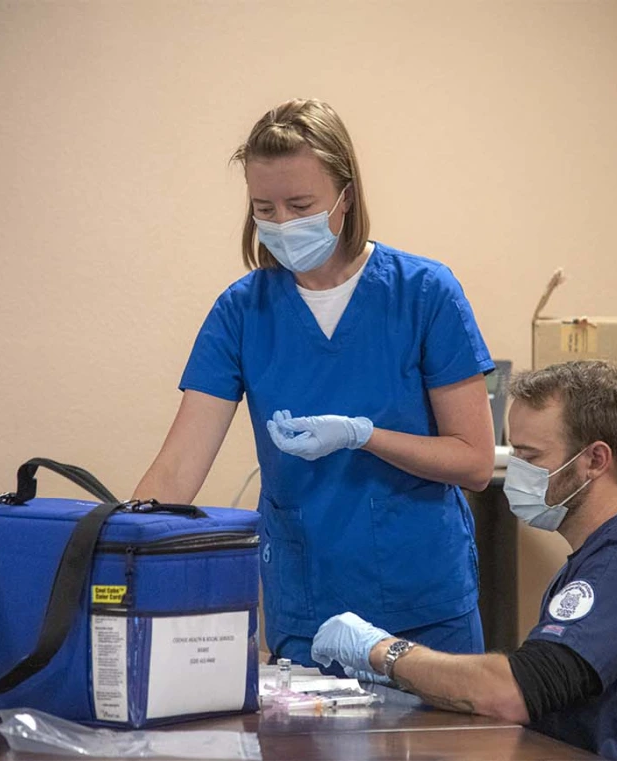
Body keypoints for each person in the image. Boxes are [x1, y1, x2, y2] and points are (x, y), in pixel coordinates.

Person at [132, 98, 496, 668]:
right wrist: (114, 559)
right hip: (308, 608)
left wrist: (363, 435)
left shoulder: (424, 294)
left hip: (423, 608)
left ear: (345, 197)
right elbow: (177, 470)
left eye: (300, 205)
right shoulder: (242, 312)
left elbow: (474, 462)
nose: (281, 223)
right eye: (264, 208)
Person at [311, 360, 617, 761]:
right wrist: (407, 678)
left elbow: (511, 692)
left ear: (594, 460)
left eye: (530, 458)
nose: (515, 471)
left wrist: (381, 651)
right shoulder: (599, 556)